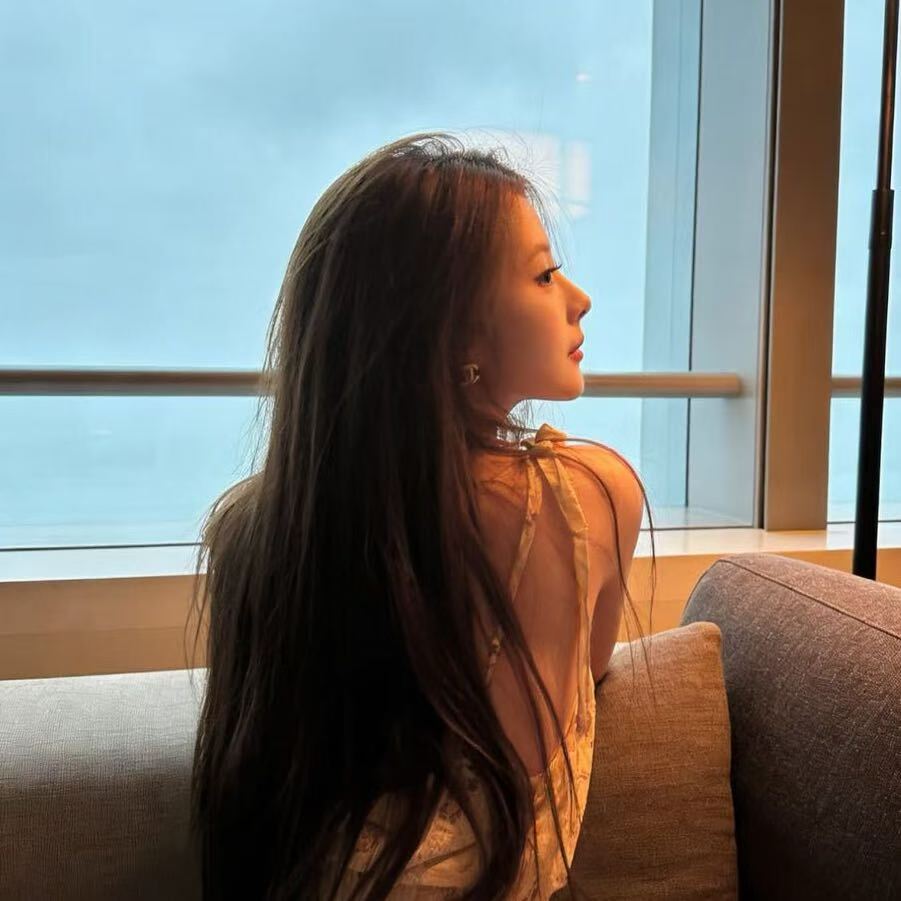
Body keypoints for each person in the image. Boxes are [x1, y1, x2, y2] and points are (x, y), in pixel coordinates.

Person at [185, 131, 656, 901]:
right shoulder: (587, 497)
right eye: (544, 274)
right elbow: (589, 666)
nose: (579, 298)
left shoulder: (255, 530)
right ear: (449, 325)